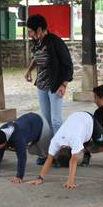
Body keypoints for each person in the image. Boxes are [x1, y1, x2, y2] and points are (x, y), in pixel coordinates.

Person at [24, 14, 74, 165]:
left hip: (55, 85)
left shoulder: (55, 42)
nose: (29, 34)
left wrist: (64, 84)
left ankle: (60, 154)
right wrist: (29, 70)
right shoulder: (38, 42)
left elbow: (68, 64)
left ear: (39, 29)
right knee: (46, 121)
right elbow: (37, 57)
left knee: (56, 120)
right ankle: (48, 153)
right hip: (42, 86)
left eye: (31, 31)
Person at [28, 111, 103, 189]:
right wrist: (40, 178)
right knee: (90, 148)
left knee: (102, 140)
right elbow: (49, 159)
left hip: (87, 119)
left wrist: (70, 181)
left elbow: (73, 161)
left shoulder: (73, 140)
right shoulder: (55, 141)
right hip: (76, 117)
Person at [0, 112, 52, 183]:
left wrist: (19, 176)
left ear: (2, 143)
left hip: (41, 123)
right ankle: (42, 157)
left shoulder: (18, 138)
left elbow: (22, 157)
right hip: (28, 119)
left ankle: (56, 159)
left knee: (49, 151)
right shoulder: (0, 132)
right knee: (34, 151)